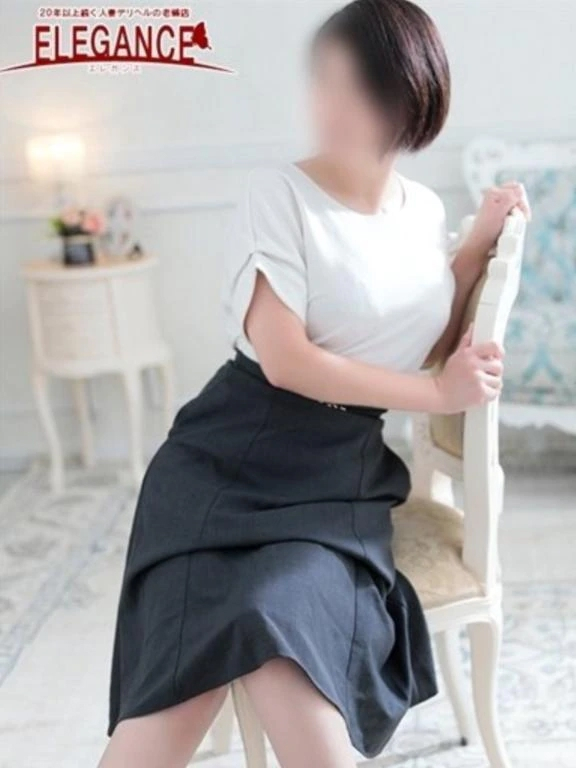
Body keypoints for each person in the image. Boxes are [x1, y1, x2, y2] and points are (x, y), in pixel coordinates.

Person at [99, 1, 530, 766]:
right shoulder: (280, 193)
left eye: (356, 86)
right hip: (228, 461)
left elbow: (413, 336)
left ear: (411, 93)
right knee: (180, 688)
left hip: (336, 478)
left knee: (278, 620)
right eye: (323, 80)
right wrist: (440, 395)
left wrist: (470, 256)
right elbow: (285, 360)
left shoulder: (423, 211)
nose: (331, 104)